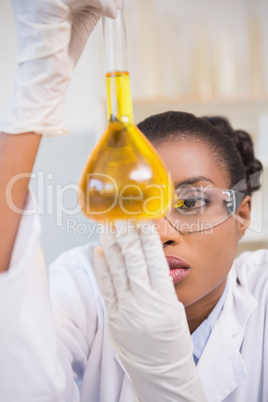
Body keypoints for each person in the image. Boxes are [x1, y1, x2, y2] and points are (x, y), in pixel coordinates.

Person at [0, 1, 267, 402]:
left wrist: (165, 377)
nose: (160, 233)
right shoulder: (86, 284)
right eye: (136, 203)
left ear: (241, 215)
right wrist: (29, 107)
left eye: (191, 202)